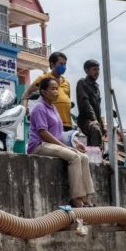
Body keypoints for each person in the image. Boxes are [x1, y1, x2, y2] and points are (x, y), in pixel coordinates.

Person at [28, 77, 96, 207]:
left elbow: (59, 134)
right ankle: (77, 199)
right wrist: (65, 146)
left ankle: (88, 198)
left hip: (52, 144)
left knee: (84, 157)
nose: (56, 91)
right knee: (74, 157)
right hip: (39, 146)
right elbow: (43, 132)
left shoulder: (53, 108)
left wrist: (75, 143)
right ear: (44, 92)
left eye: (57, 88)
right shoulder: (39, 108)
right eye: (53, 89)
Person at [23, 51, 73, 130]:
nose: (63, 66)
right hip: (51, 123)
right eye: (61, 64)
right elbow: (27, 94)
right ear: (52, 64)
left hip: (67, 123)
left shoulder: (67, 82)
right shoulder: (43, 79)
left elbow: (68, 101)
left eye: (65, 64)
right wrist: (24, 108)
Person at [75, 59, 104, 148]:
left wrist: (102, 124)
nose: (97, 72)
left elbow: (98, 108)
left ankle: (94, 157)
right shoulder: (82, 83)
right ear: (87, 71)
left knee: (98, 133)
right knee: (95, 129)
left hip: (95, 120)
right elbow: (85, 102)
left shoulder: (96, 87)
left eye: (98, 69)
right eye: (94, 69)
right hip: (85, 120)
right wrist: (94, 119)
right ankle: (95, 159)